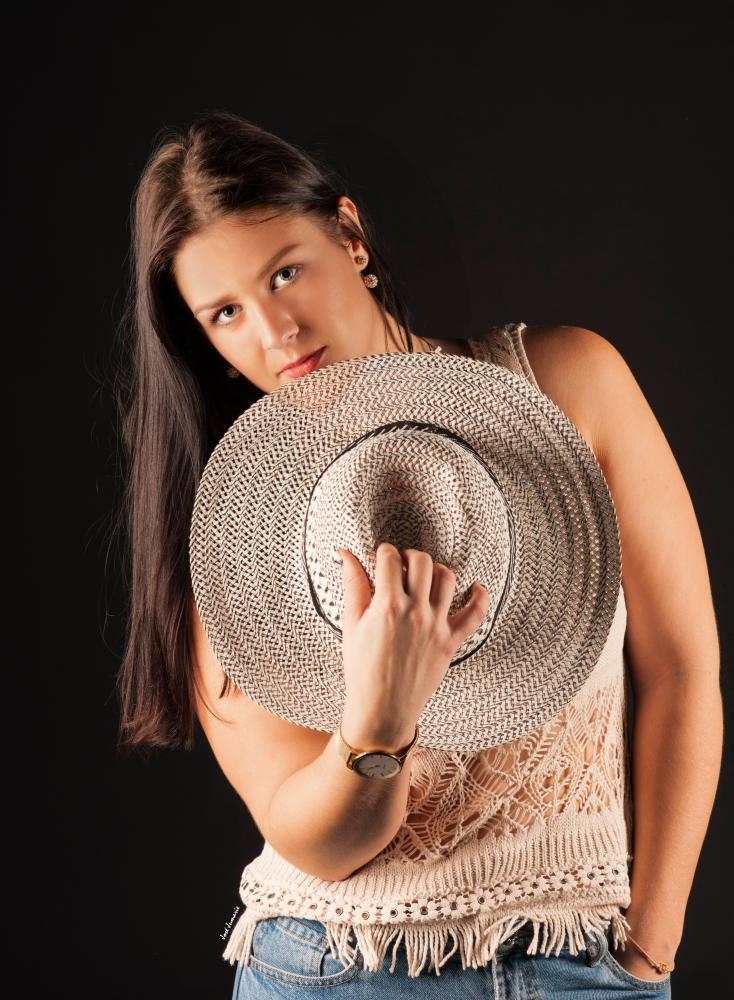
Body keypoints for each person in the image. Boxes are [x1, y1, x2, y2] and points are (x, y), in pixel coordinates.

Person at [112, 110, 722, 998]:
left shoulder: (565, 386)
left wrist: (649, 952)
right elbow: (317, 842)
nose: (276, 330)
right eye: (227, 313)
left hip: (586, 965)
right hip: (340, 970)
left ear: (350, 235)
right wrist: (380, 720)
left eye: (285, 272)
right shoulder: (240, 532)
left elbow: (682, 669)